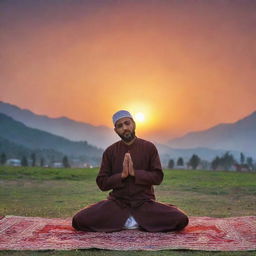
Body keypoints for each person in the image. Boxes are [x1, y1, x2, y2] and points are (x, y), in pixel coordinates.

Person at [72, 110, 189, 232]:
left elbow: (157, 177)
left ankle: (128, 222)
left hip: (144, 204)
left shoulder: (149, 147)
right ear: (116, 130)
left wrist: (135, 173)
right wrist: (121, 176)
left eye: (127, 123)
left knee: (181, 219)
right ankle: (135, 222)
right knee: (78, 220)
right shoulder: (110, 152)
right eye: (120, 126)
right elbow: (102, 183)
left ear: (134, 124)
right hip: (117, 204)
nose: (125, 128)